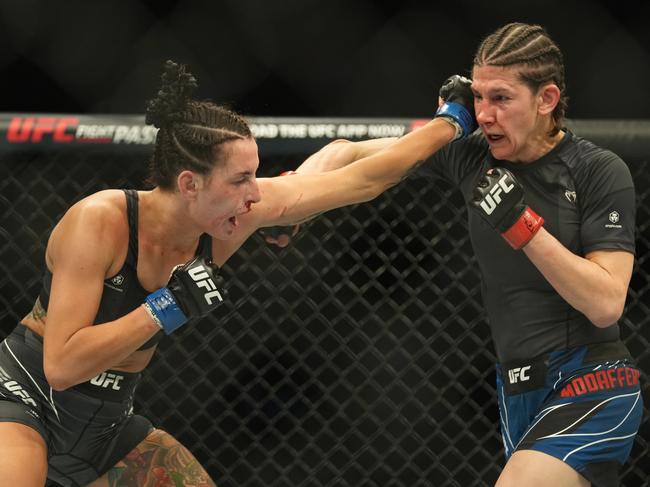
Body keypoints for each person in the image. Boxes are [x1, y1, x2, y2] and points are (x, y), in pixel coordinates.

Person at [0, 60, 475, 486]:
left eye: (255, 175)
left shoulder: (232, 218)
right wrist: (166, 307)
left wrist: (448, 124)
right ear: (190, 183)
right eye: (240, 180)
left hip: (107, 424)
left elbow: (359, 178)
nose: (254, 194)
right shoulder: (100, 221)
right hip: (26, 399)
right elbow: (61, 367)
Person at [419, 23, 642, 487]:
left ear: (546, 100)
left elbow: (605, 302)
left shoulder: (598, 170)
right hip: (517, 389)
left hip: (593, 380)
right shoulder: (470, 157)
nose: (483, 114)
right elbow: (356, 160)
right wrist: (279, 207)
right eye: (477, 97)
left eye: (500, 98)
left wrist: (522, 226)